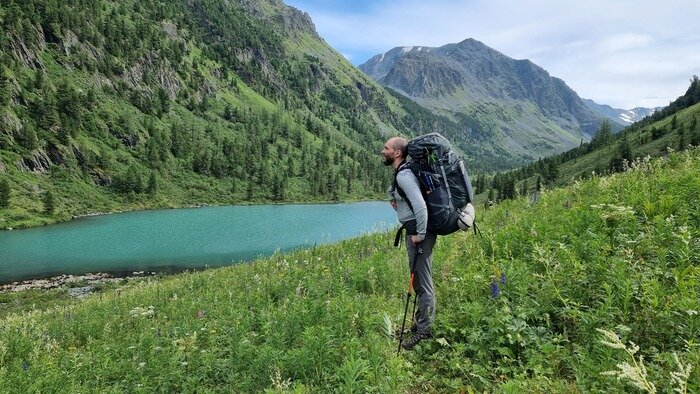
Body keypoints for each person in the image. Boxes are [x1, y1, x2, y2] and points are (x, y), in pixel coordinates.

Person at [382, 136, 437, 350]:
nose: (382, 151)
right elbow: (395, 191)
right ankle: (420, 321)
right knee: (417, 280)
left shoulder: (404, 175)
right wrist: (392, 197)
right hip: (413, 231)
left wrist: (420, 234)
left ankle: (424, 331)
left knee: (423, 283)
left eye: (386, 148)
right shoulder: (401, 174)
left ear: (397, 153)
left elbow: (420, 206)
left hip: (418, 233)